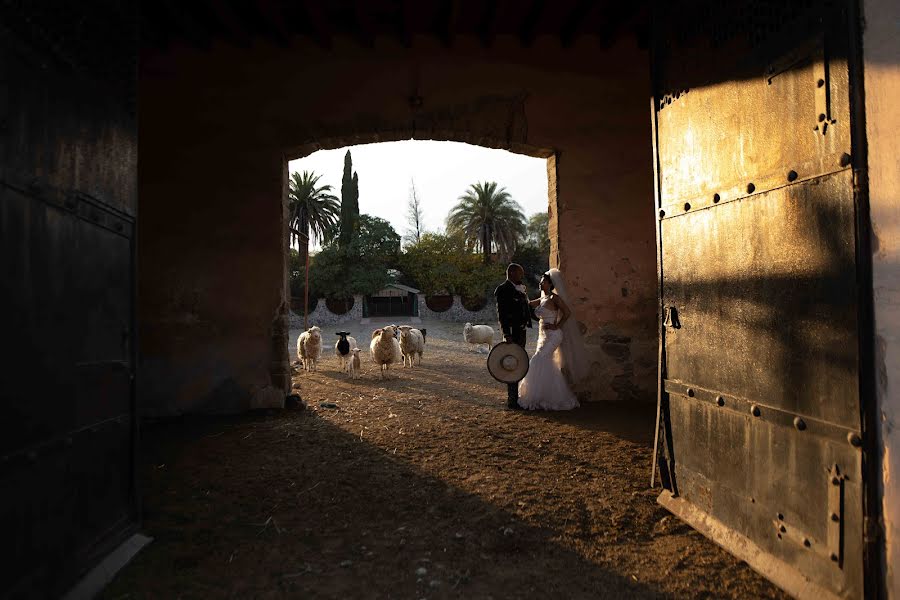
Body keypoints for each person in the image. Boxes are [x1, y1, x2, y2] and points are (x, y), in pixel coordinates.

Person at [517, 269, 590, 411]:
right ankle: (545, 396)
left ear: (550, 284)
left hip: (554, 335)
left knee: (538, 360)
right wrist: (521, 290)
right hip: (544, 337)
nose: (540, 283)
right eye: (541, 281)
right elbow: (527, 303)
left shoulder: (554, 298)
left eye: (543, 281)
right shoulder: (543, 299)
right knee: (545, 364)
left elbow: (567, 312)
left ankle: (547, 396)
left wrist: (557, 325)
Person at [494, 263, 533, 409]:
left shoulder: (520, 288)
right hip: (512, 333)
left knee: (519, 362)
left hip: (521, 332)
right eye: (519, 273)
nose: (521, 276)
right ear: (511, 273)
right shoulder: (503, 290)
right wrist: (506, 333)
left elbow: (526, 309)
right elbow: (502, 315)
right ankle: (512, 399)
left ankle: (516, 397)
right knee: (511, 363)